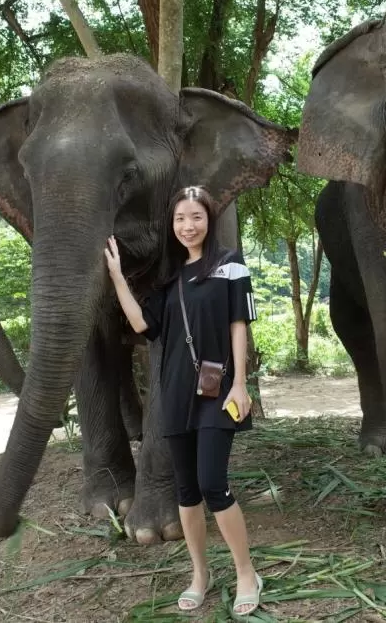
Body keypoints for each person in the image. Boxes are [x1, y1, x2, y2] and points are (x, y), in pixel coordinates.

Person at [105, 185, 263, 617]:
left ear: (209, 220)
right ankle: (200, 574)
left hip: (219, 391)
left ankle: (246, 573)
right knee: (187, 490)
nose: (187, 226)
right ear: (171, 226)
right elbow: (142, 324)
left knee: (214, 483)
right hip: (175, 395)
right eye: (179, 219)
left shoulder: (230, 266)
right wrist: (118, 277)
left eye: (195, 217)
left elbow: (238, 325)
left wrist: (240, 384)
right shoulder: (169, 280)